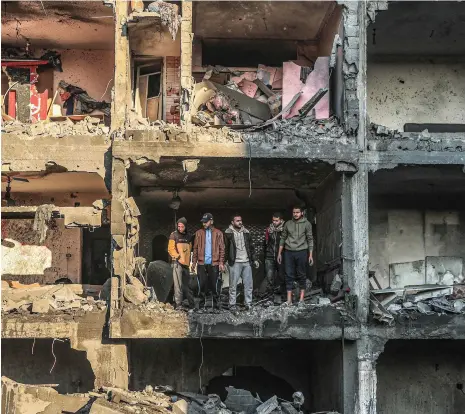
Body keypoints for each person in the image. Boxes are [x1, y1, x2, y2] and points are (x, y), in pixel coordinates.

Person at [277, 205, 314, 305]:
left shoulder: (307, 224)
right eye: (294, 212)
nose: (295, 214)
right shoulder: (288, 224)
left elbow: (310, 239)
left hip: (302, 251)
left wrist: (310, 255)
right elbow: (283, 238)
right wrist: (279, 253)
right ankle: (289, 300)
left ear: (302, 213)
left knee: (302, 274)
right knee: (288, 275)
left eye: (297, 212)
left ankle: (301, 300)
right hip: (288, 252)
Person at [224, 214, 259, 312]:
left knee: (248, 285)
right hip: (235, 262)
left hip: (246, 262)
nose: (240, 222)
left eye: (240, 220)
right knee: (233, 285)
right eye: (237, 220)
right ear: (232, 222)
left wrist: (254, 259)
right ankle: (232, 305)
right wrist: (224, 261)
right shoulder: (228, 233)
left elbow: (251, 247)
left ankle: (248, 304)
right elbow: (225, 248)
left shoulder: (246, 232)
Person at [191, 213, 225, 309]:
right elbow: (195, 248)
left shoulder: (219, 233)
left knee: (214, 285)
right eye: (203, 222)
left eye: (206, 222)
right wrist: (194, 263)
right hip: (201, 263)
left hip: (214, 263)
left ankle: (216, 305)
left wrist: (221, 262)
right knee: (202, 285)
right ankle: (201, 306)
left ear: (211, 221)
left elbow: (222, 249)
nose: (204, 224)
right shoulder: (198, 233)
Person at [168, 217, 194, 310]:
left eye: (182, 226)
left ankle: (192, 305)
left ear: (185, 226)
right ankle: (178, 304)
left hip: (186, 264)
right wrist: (178, 257)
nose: (180, 228)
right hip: (177, 263)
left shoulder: (189, 236)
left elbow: (190, 249)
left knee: (188, 285)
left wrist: (189, 262)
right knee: (177, 285)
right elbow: (171, 249)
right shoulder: (173, 235)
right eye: (178, 226)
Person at [263, 212, 285, 296]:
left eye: (276, 220)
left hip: (281, 256)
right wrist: (266, 254)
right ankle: (270, 296)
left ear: (281, 220)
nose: (274, 222)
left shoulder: (285, 230)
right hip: (270, 255)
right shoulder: (269, 230)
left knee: (281, 276)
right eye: (273, 220)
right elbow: (266, 242)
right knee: (269, 276)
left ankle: (281, 295)